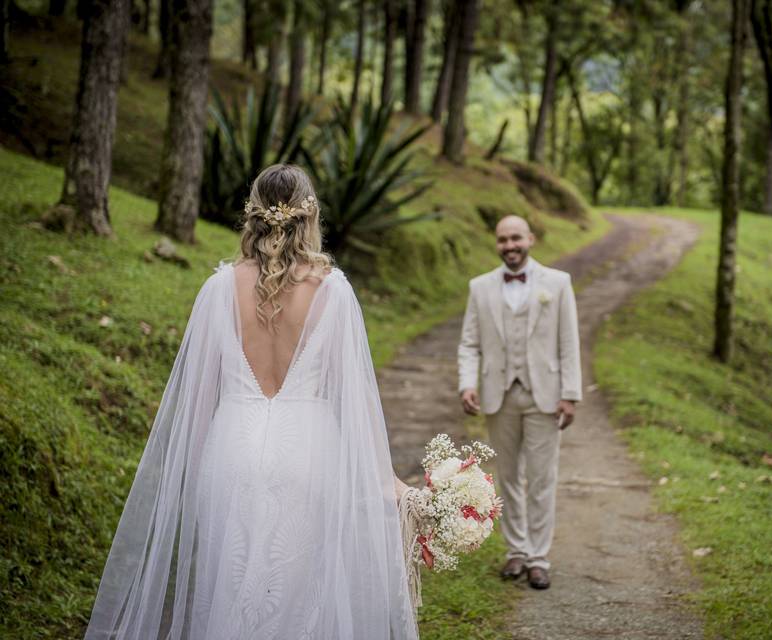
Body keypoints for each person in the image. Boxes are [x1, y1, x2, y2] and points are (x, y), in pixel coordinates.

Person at [84, 164, 419, 639]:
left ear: (252, 214)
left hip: (230, 452)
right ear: (311, 215)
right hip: (308, 453)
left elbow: (198, 399)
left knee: (230, 587)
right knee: (302, 594)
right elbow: (356, 402)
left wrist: (194, 475)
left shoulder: (219, 287)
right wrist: (389, 482)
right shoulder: (333, 292)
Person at [457, 215, 582, 590]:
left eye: (516, 238)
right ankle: (517, 550)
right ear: (496, 244)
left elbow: (568, 342)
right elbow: (469, 342)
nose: (509, 246)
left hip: (544, 395)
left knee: (542, 479)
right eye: (502, 240)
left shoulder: (558, 284)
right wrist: (467, 384)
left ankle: (539, 558)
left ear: (530, 239)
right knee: (508, 477)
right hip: (499, 395)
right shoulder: (479, 287)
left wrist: (570, 395)